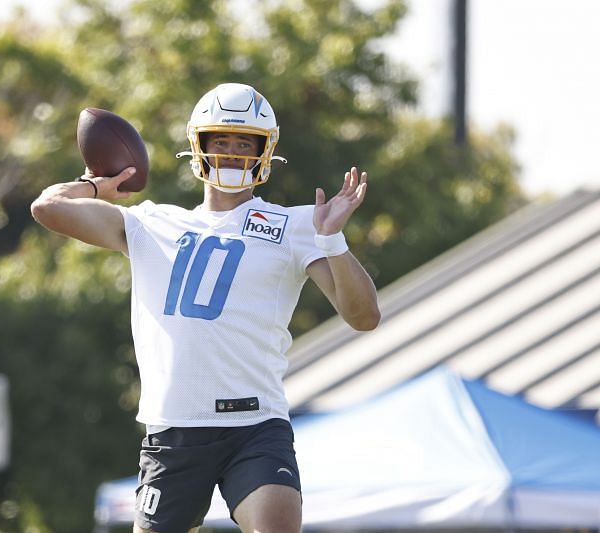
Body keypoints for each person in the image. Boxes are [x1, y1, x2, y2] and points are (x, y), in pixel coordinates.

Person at [31, 83, 380, 533]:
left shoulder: (295, 223)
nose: (233, 153)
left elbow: (364, 316)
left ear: (264, 152)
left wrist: (332, 240)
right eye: (222, 142)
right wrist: (95, 184)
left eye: (244, 144)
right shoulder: (152, 222)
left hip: (255, 424)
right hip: (173, 431)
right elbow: (47, 207)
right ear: (199, 147)